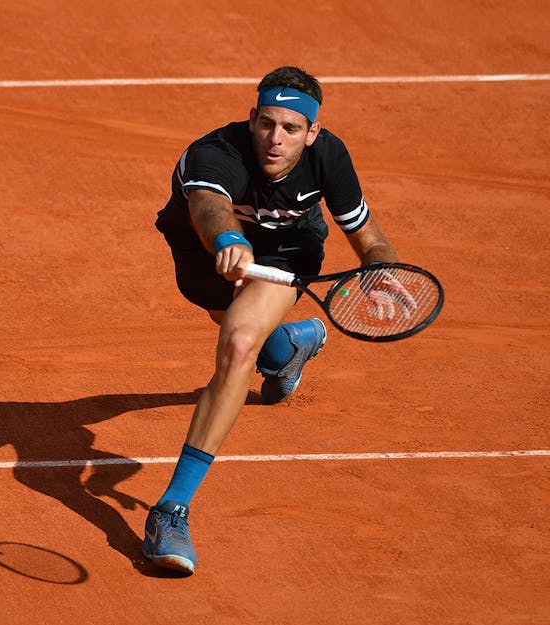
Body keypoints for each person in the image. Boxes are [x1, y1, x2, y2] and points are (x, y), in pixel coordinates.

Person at [143, 66, 403, 575]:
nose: (274, 138)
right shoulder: (216, 152)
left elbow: (366, 234)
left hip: (285, 251)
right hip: (205, 251)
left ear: (312, 133)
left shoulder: (329, 156)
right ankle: (287, 349)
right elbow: (208, 207)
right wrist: (228, 240)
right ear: (251, 118)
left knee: (239, 344)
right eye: (265, 123)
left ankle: (170, 511)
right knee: (252, 340)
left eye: (289, 128)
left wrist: (380, 267)